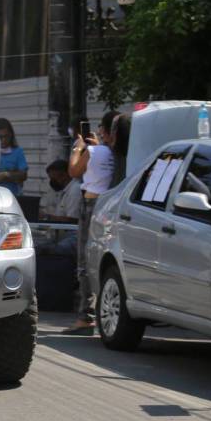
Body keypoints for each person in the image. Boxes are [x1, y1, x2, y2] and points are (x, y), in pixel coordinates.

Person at [66, 110, 119, 333]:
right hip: (109, 206)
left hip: (91, 205)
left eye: (100, 128)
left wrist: (78, 148)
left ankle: (85, 317)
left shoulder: (93, 151)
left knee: (84, 262)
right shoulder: (115, 153)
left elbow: (73, 170)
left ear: (106, 131)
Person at [0, 118, 28, 196]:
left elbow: (23, 175)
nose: (3, 140)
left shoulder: (17, 152)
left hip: (12, 195)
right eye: (0, 137)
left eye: (6, 136)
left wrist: (4, 174)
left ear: (11, 135)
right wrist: (12, 174)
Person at [40, 159, 82, 223]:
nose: (52, 182)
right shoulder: (64, 191)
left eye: (53, 179)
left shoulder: (75, 190)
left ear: (64, 175)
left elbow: (73, 220)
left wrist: (46, 217)